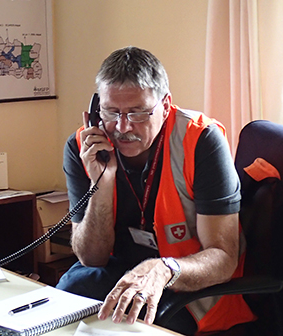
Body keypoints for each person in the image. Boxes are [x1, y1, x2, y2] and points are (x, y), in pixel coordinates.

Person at [56, 46, 255, 335]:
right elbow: (91, 257)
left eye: (138, 113)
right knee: (67, 300)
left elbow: (224, 258)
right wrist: (103, 180)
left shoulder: (201, 141)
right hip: (120, 272)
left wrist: (163, 270)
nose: (123, 127)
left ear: (165, 105)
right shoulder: (83, 147)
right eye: (111, 112)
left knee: (140, 324)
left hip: (186, 287)